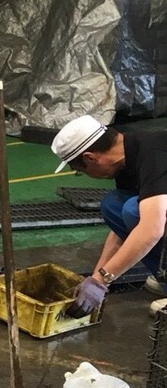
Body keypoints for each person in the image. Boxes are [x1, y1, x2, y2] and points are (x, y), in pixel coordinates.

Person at [51, 114, 167, 315]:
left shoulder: (154, 154)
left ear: (90, 158)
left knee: (133, 211)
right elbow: (120, 232)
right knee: (114, 206)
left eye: (81, 170)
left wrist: (101, 281)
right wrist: (97, 276)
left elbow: (151, 230)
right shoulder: (128, 157)